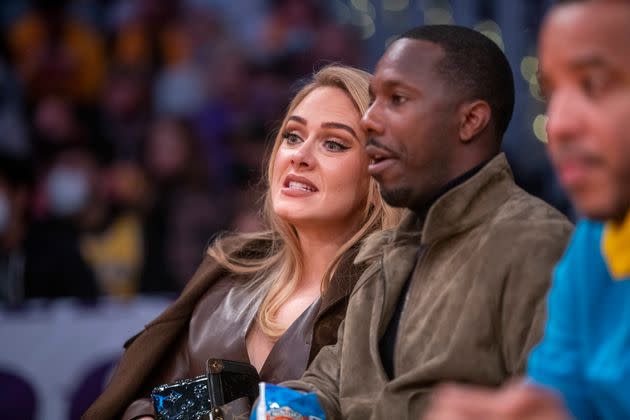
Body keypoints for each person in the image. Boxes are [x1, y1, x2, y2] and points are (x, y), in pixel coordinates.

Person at [281, 25, 573, 419]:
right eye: (372, 102)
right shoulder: (385, 254)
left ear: (470, 121)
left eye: (397, 99)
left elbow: (554, 407)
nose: (368, 120)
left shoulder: (537, 243)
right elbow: (324, 389)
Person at [83, 64, 401, 420]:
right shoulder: (228, 270)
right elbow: (148, 398)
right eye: (293, 136)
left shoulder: (393, 293)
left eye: (333, 143)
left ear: (379, 175)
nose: (299, 155)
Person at [424, 1, 630, 419]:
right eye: (550, 93)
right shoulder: (596, 242)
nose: (558, 123)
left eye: (593, 84)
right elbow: (560, 394)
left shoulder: (543, 237)